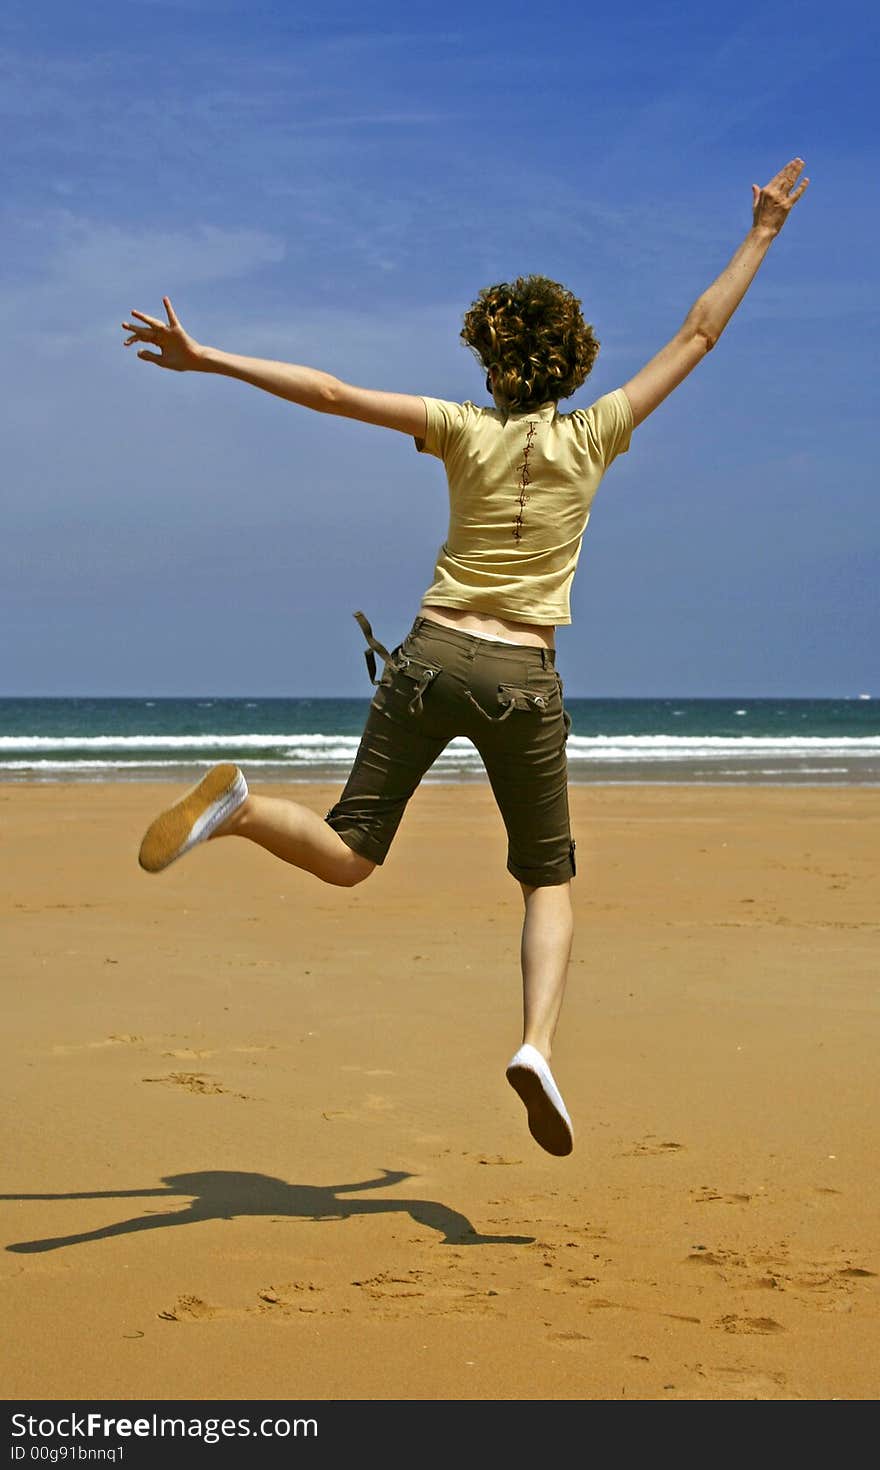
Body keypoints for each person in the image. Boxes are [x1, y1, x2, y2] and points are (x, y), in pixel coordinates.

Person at [123, 157, 809, 1158]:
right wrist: (760, 232)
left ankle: (239, 808)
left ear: (489, 361)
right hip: (521, 680)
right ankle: (534, 1046)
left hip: (430, 654)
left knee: (352, 853)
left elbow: (328, 392)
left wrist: (210, 358)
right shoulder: (597, 434)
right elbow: (700, 332)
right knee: (545, 880)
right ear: (573, 361)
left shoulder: (457, 431)